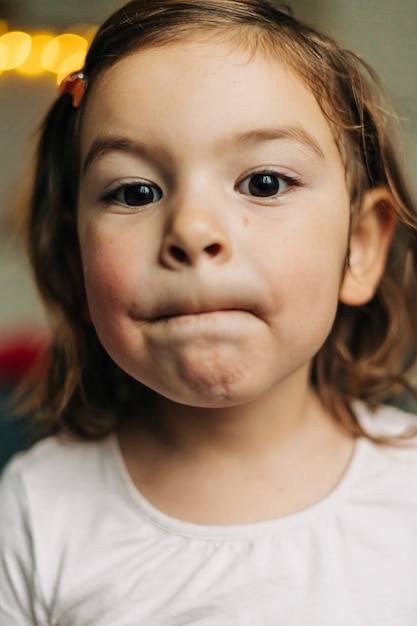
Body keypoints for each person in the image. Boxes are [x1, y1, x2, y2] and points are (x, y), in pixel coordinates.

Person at [1, 0, 417, 623]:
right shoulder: (33, 511)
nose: (193, 230)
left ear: (359, 248)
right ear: (76, 261)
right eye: (135, 192)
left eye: (264, 183)